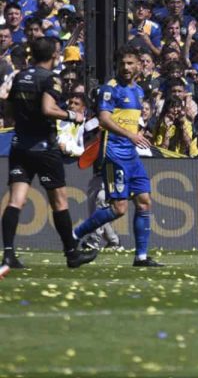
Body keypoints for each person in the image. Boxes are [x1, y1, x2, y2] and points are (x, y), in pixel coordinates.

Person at [1, 38, 98, 274]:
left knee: (16, 200)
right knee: (59, 202)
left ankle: (9, 254)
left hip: (20, 146)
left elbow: (9, 108)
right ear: (54, 55)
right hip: (44, 149)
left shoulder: (19, 76)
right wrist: (71, 116)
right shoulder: (49, 79)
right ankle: (72, 254)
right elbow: (47, 108)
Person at [74, 46, 163, 267]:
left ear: (139, 66)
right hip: (114, 152)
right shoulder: (110, 89)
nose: (126, 67)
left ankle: (141, 257)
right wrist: (131, 135)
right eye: (122, 63)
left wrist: (137, 134)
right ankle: (75, 234)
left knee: (144, 202)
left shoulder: (139, 91)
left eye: (130, 63)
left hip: (131, 154)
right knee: (119, 208)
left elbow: (129, 120)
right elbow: (104, 119)